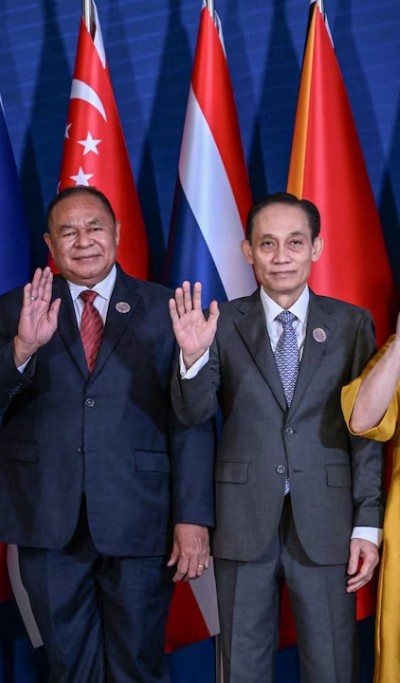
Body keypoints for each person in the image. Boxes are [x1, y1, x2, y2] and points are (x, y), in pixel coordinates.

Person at [0, 186, 214, 682]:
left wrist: (193, 518)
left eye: (95, 227)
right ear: (50, 246)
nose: (84, 241)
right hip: (46, 518)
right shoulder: (18, 308)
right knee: (68, 667)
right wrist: (22, 348)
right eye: (68, 232)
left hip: (142, 520)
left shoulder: (167, 309)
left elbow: (193, 422)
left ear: (117, 233)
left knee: (137, 665)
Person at [170, 192, 381, 682]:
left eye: (294, 242)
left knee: (331, 665)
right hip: (243, 523)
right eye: (267, 243)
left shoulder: (351, 325)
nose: (281, 256)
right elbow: (193, 414)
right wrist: (192, 359)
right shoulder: (218, 326)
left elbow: (365, 433)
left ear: (317, 248)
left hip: (328, 523)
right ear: (248, 251)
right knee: (243, 665)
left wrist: (366, 524)